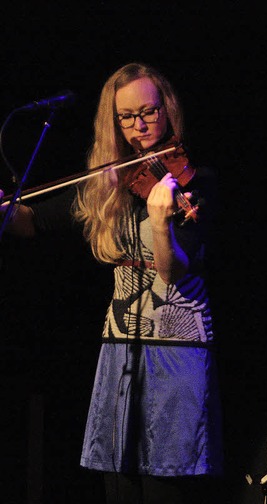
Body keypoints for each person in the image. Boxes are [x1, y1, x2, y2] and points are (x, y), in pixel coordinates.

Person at [1, 62, 223, 503]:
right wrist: (6, 215)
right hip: (120, 345)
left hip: (178, 349)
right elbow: (34, 221)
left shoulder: (196, 183)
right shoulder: (109, 182)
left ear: (167, 109)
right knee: (119, 486)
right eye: (127, 116)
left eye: (149, 112)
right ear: (114, 120)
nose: (139, 125)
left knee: (166, 486)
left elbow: (173, 271)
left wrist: (161, 222)